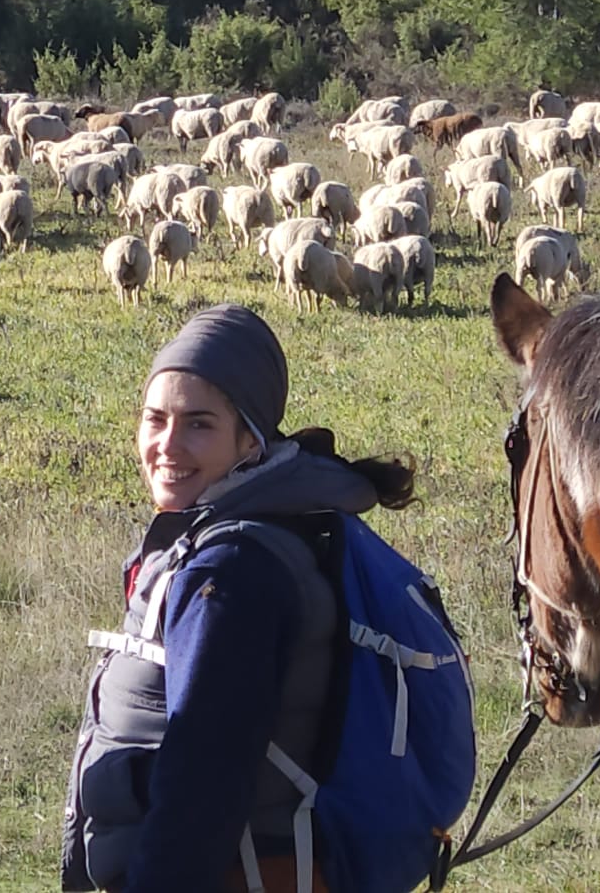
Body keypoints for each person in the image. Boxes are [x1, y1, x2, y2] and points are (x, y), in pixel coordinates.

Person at [62, 304, 417, 893]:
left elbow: (203, 781)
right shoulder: (248, 531)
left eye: (198, 423)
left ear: (249, 440)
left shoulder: (230, 574)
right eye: (155, 420)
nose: (167, 445)